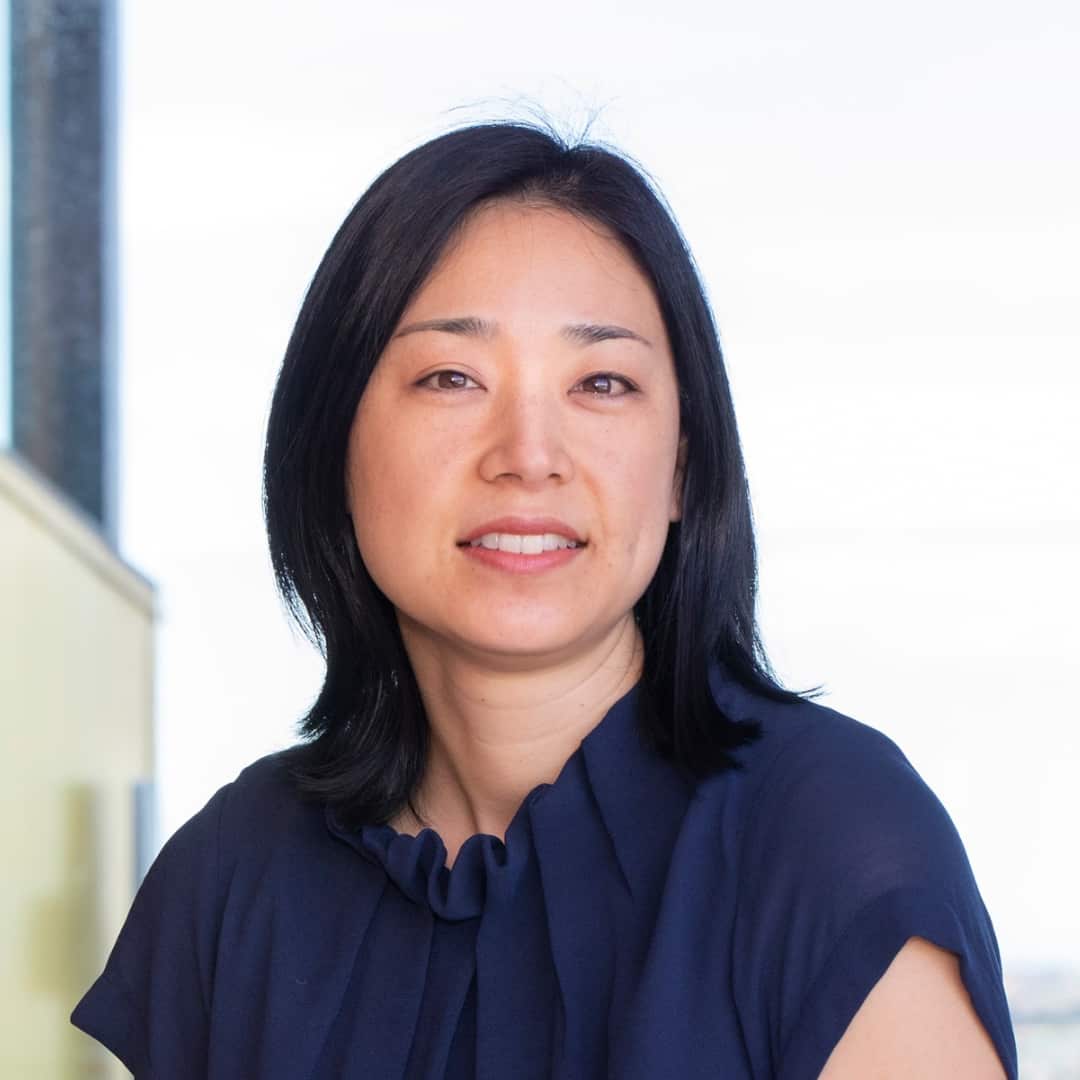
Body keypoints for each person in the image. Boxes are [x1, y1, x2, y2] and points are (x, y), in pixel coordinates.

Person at [71, 120, 1018, 1078]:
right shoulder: (232, 876)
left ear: (683, 466)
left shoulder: (832, 838)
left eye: (601, 383)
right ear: (334, 445)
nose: (529, 456)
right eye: (451, 378)